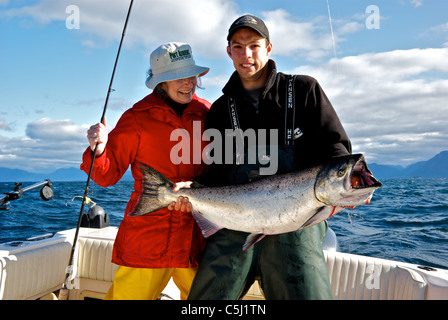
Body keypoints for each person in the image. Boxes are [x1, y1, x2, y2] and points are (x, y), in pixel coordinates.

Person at [187, 15, 352, 300]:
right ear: (228, 51)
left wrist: (348, 186)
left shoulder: (304, 90)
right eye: (237, 46)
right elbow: (217, 172)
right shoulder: (220, 110)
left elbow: (336, 149)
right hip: (236, 223)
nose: (246, 54)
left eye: (254, 45)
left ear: (269, 48)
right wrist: (190, 192)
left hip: (297, 224)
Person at [81, 42, 211, 300]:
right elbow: (106, 176)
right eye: (178, 77)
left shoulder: (208, 112)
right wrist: (99, 150)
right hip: (148, 235)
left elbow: (223, 167)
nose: (188, 83)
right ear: (161, 82)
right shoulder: (136, 117)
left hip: (196, 233)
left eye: (191, 75)